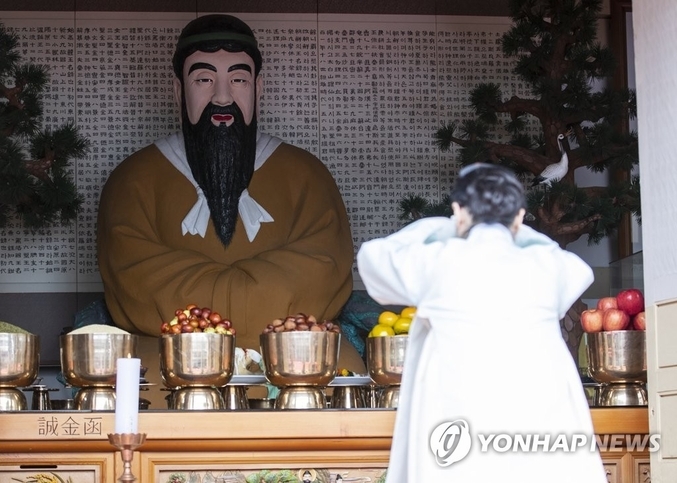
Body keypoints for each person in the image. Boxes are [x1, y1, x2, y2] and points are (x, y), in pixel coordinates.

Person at [97, 15, 365, 404]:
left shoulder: (307, 174)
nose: (222, 97)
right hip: (173, 360)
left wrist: (206, 307)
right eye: (203, 79)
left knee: (337, 388)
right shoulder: (132, 179)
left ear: (259, 87)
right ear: (178, 90)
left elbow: (323, 272)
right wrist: (259, 297)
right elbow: (136, 283)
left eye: (238, 79)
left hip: (295, 356)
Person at [357, 164, 606, 482]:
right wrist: (510, 228)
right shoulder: (547, 265)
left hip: (457, 419)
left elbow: (374, 259)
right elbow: (578, 271)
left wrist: (450, 226)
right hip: (537, 416)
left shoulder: (439, 261)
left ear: (459, 211)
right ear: (519, 216)